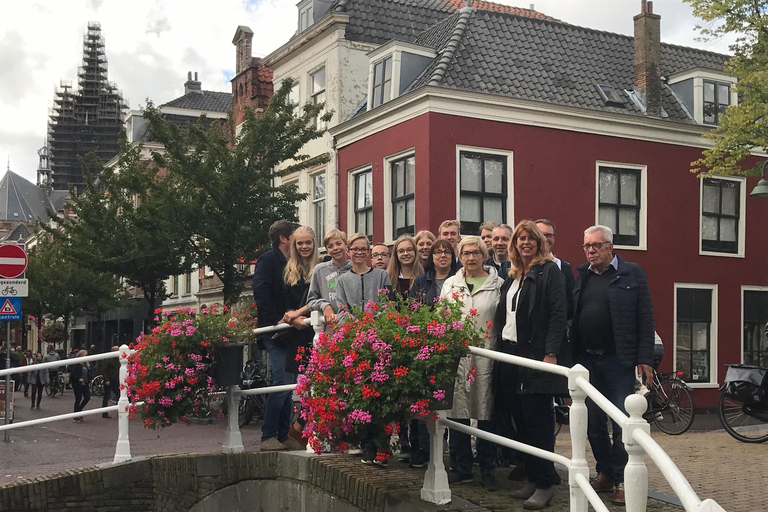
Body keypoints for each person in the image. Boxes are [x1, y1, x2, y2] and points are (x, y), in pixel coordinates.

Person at [572, 225, 655, 505]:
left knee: (622, 420)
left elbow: (645, 318)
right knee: (592, 421)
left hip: (619, 360)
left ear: (610, 246)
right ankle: (606, 472)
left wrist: (645, 358)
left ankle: (621, 479)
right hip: (586, 360)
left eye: (596, 245)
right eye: (586, 246)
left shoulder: (632, 273)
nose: (591, 250)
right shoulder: (581, 274)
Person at [496, 220, 567, 510]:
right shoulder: (515, 275)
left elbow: (558, 314)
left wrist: (550, 353)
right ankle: (531, 476)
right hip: (510, 355)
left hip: (535, 356)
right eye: (520, 239)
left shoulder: (549, 272)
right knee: (520, 419)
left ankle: (545, 483)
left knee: (538, 422)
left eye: (531, 239)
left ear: (540, 243)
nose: (525, 243)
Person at [440, 235, 503, 492]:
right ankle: (462, 466)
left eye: (476, 252)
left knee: (486, 411)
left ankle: (488, 468)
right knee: (459, 411)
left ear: (484, 255)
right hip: (458, 354)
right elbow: (441, 316)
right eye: (465, 253)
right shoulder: (450, 284)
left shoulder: (498, 284)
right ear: (460, 256)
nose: (471, 257)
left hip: (487, 355)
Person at [252, 219, 304, 452]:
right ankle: (268, 436)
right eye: (295, 235)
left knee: (290, 384)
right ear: (284, 238)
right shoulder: (268, 260)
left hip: (290, 331)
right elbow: (261, 292)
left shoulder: (293, 262)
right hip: (274, 331)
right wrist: (276, 321)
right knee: (281, 382)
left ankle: (282, 434)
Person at [280, 226, 320, 448]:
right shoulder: (289, 271)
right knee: (305, 384)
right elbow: (285, 301)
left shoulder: (322, 268)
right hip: (297, 333)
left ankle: (301, 427)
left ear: (314, 244)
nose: (304, 247)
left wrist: (299, 314)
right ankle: (304, 428)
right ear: (294, 246)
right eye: (300, 243)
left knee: (321, 382)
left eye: (308, 242)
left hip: (316, 329)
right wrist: (291, 317)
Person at [336, 233, 392, 313]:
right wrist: (355, 323)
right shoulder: (342, 280)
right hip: (352, 325)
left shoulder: (382, 275)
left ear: (368, 252)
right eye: (355, 249)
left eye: (363, 249)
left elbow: (387, 304)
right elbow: (342, 310)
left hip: (378, 324)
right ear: (348, 251)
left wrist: (373, 322)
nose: (359, 252)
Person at [306, 229, 352, 326]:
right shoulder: (320, 270)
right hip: (329, 330)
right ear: (327, 250)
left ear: (346, 245)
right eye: (330, 246)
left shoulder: (355, 269)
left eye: (338, 243)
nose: (335, 248)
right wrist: (324, 305)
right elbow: (310, 300)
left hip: (352, 328)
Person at [535, 219, 575, 319]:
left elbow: (570, 302)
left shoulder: (564, 268)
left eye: (548, 235)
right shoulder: (519, 267)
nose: (544, 239)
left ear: (554, 238)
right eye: (540, 234)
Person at [410, 239, 458, 306]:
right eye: (438, 252)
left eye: (447, 252)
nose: (443, 255)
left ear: (452, 256)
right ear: (432, 256)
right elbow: (412, 307)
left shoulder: (459, 279)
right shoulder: (421, 281)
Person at [98, 346, 121, 419]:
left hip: (116, 380)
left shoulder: (119, 359)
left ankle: (119, 412)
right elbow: (104, 369)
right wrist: (106, 379)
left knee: (119, 395)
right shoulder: (109, 359)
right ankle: (104, 413)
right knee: (107, 396)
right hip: (110, 380)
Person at [70, 349, 91, 422]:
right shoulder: (76, 363)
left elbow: (88, 372)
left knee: (87, 397)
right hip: (77, 384)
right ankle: (76, 415)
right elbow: (73, 373)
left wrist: (89, 380)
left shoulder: (86, 363)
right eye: (85, 355)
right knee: (78, 398)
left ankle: (79, 410)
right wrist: (78, 378)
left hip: (85, 383)